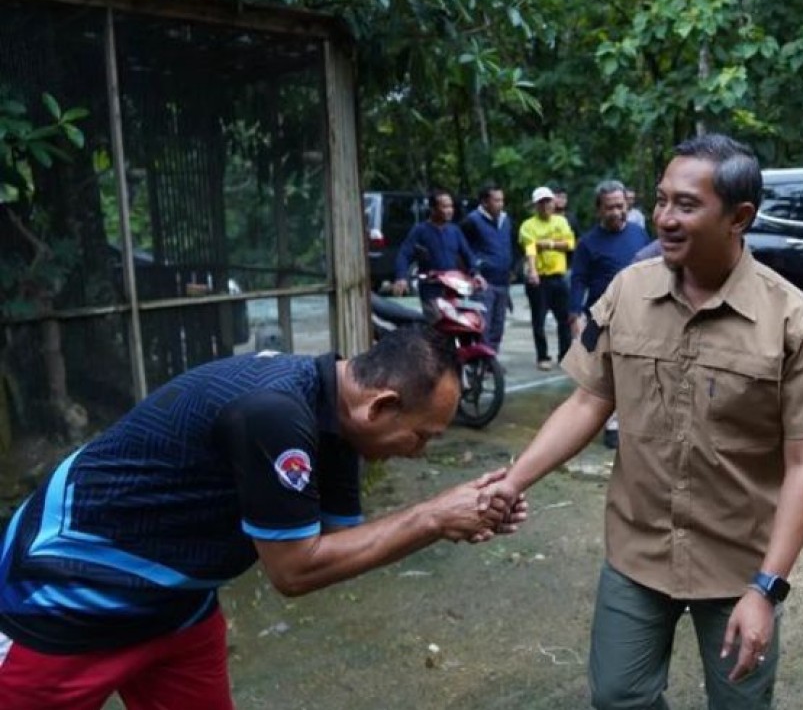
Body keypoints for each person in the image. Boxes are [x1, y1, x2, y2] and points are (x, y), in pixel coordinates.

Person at [485, 134, 803, 709]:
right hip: (639, 549)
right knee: (617, 695)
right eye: (660, 201)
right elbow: (587, 402)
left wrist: (766, 588)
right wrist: (514, 479)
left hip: (740, 566)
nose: (665, 218)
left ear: (739, 217)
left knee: (741, 705)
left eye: (686, 205)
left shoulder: (798, 325)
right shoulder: (627, 292)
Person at [0, 325, 526, 710]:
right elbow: (294, 570)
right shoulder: (275, 413)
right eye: (421, 436)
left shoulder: (338, 418)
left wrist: (458, 516)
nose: (419, 454)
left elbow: (341, 543)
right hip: (68, 591)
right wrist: (434, 516)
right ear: (381, 406)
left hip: (179, 602)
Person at [568, 179, 650, 448]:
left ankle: (634, 419)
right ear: (599, 210)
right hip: (603, 315)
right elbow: (578, 280)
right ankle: (611, 422)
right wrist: (574, 316)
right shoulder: (588, 244)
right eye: (610, 208)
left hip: (640, 310)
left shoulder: (639, 233)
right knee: (608, 370)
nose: (616, 212)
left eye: (620, 206)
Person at [393, 188, 483, 318]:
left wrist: (476, 273)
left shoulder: (455, 231)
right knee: (436, 324)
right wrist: (401, 277)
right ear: (433, 209)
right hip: (431, 288)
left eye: (451, 206)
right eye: (445, 207)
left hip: (453, 287)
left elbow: (467, 254)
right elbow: (404, 254)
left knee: (458, 322)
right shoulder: (420, 231)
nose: (449, 210)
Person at [520, 185, 575, 371]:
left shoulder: (561, 221)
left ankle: (565, 355)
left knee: (564, 319)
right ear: (535, 205)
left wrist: (548, 243)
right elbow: (530, 249)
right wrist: (533, 271)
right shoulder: (528, 225)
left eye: (548, 201)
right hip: (540, 278)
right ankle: (542, 356)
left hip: (559, 276)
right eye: (541, 203)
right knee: (539, 320)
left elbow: (569, 244)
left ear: (554, 202)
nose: (545, 206)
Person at [462, 184, 516, 352]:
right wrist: (474, 272)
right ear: (485, 202)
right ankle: (482, 359)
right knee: (483, 322)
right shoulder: (471, 221)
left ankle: (492, 358)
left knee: (498, 323)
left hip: (503, 279)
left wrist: (513, 268)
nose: (500, 204)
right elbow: (463, 249)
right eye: (496, 200)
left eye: (502, 200)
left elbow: (512, 245)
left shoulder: (506, 220)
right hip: (484, 281)